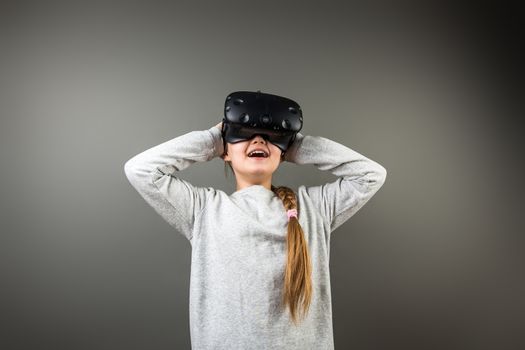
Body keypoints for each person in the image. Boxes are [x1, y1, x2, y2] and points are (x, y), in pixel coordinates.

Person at [124, 119, 387, 349]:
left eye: (270, 136)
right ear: (224, 152)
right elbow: (141, 170)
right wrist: (213, 140)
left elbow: (371, 175)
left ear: (284, 152)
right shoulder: (204, 210)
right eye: (244, 133)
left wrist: (296, 145)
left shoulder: (314, 208)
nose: (258, 139)